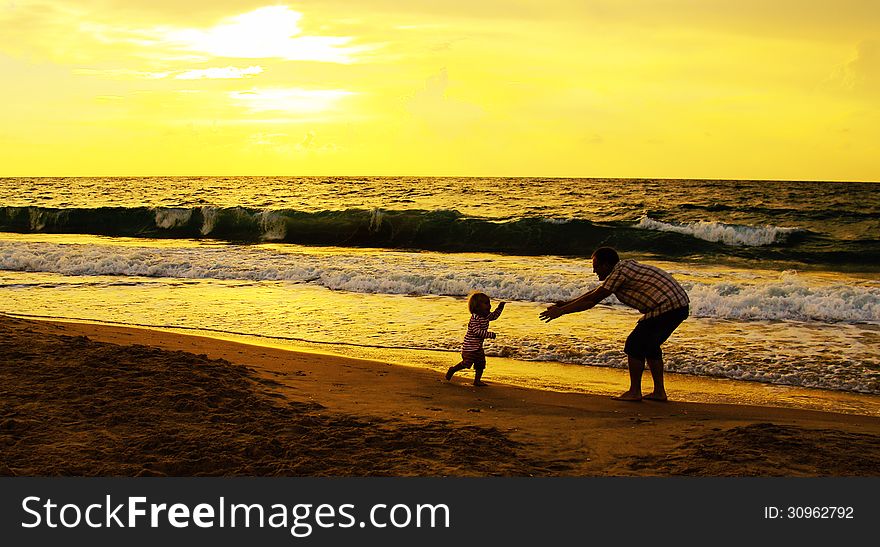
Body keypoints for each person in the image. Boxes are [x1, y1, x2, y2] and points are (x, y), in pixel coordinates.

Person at [539, 247, 689, 402]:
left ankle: (635, 392)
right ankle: (659, 392)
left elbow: (592, 300)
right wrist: (566, 304)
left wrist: (561, 312)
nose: (594, 271)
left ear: (606, 265)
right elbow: (594, 293)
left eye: (596, 266)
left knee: (634, 344)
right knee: (649, 346)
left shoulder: (619, 273)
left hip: (668, 307)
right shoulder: (622, 268)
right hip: (678, 305)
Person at [446, 292, 506, 386]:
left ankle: (477, 380)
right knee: (467, 363)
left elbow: (494, 316)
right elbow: (476, 331)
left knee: (480, 364)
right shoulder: (475, 318)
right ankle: (453, 369)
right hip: (469, 347)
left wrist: (500, 308)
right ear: (477, 307)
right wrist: (489, 334)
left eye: (489, 303)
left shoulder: (486, 316)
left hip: (478, 347)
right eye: (486, 304)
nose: (489, 306)